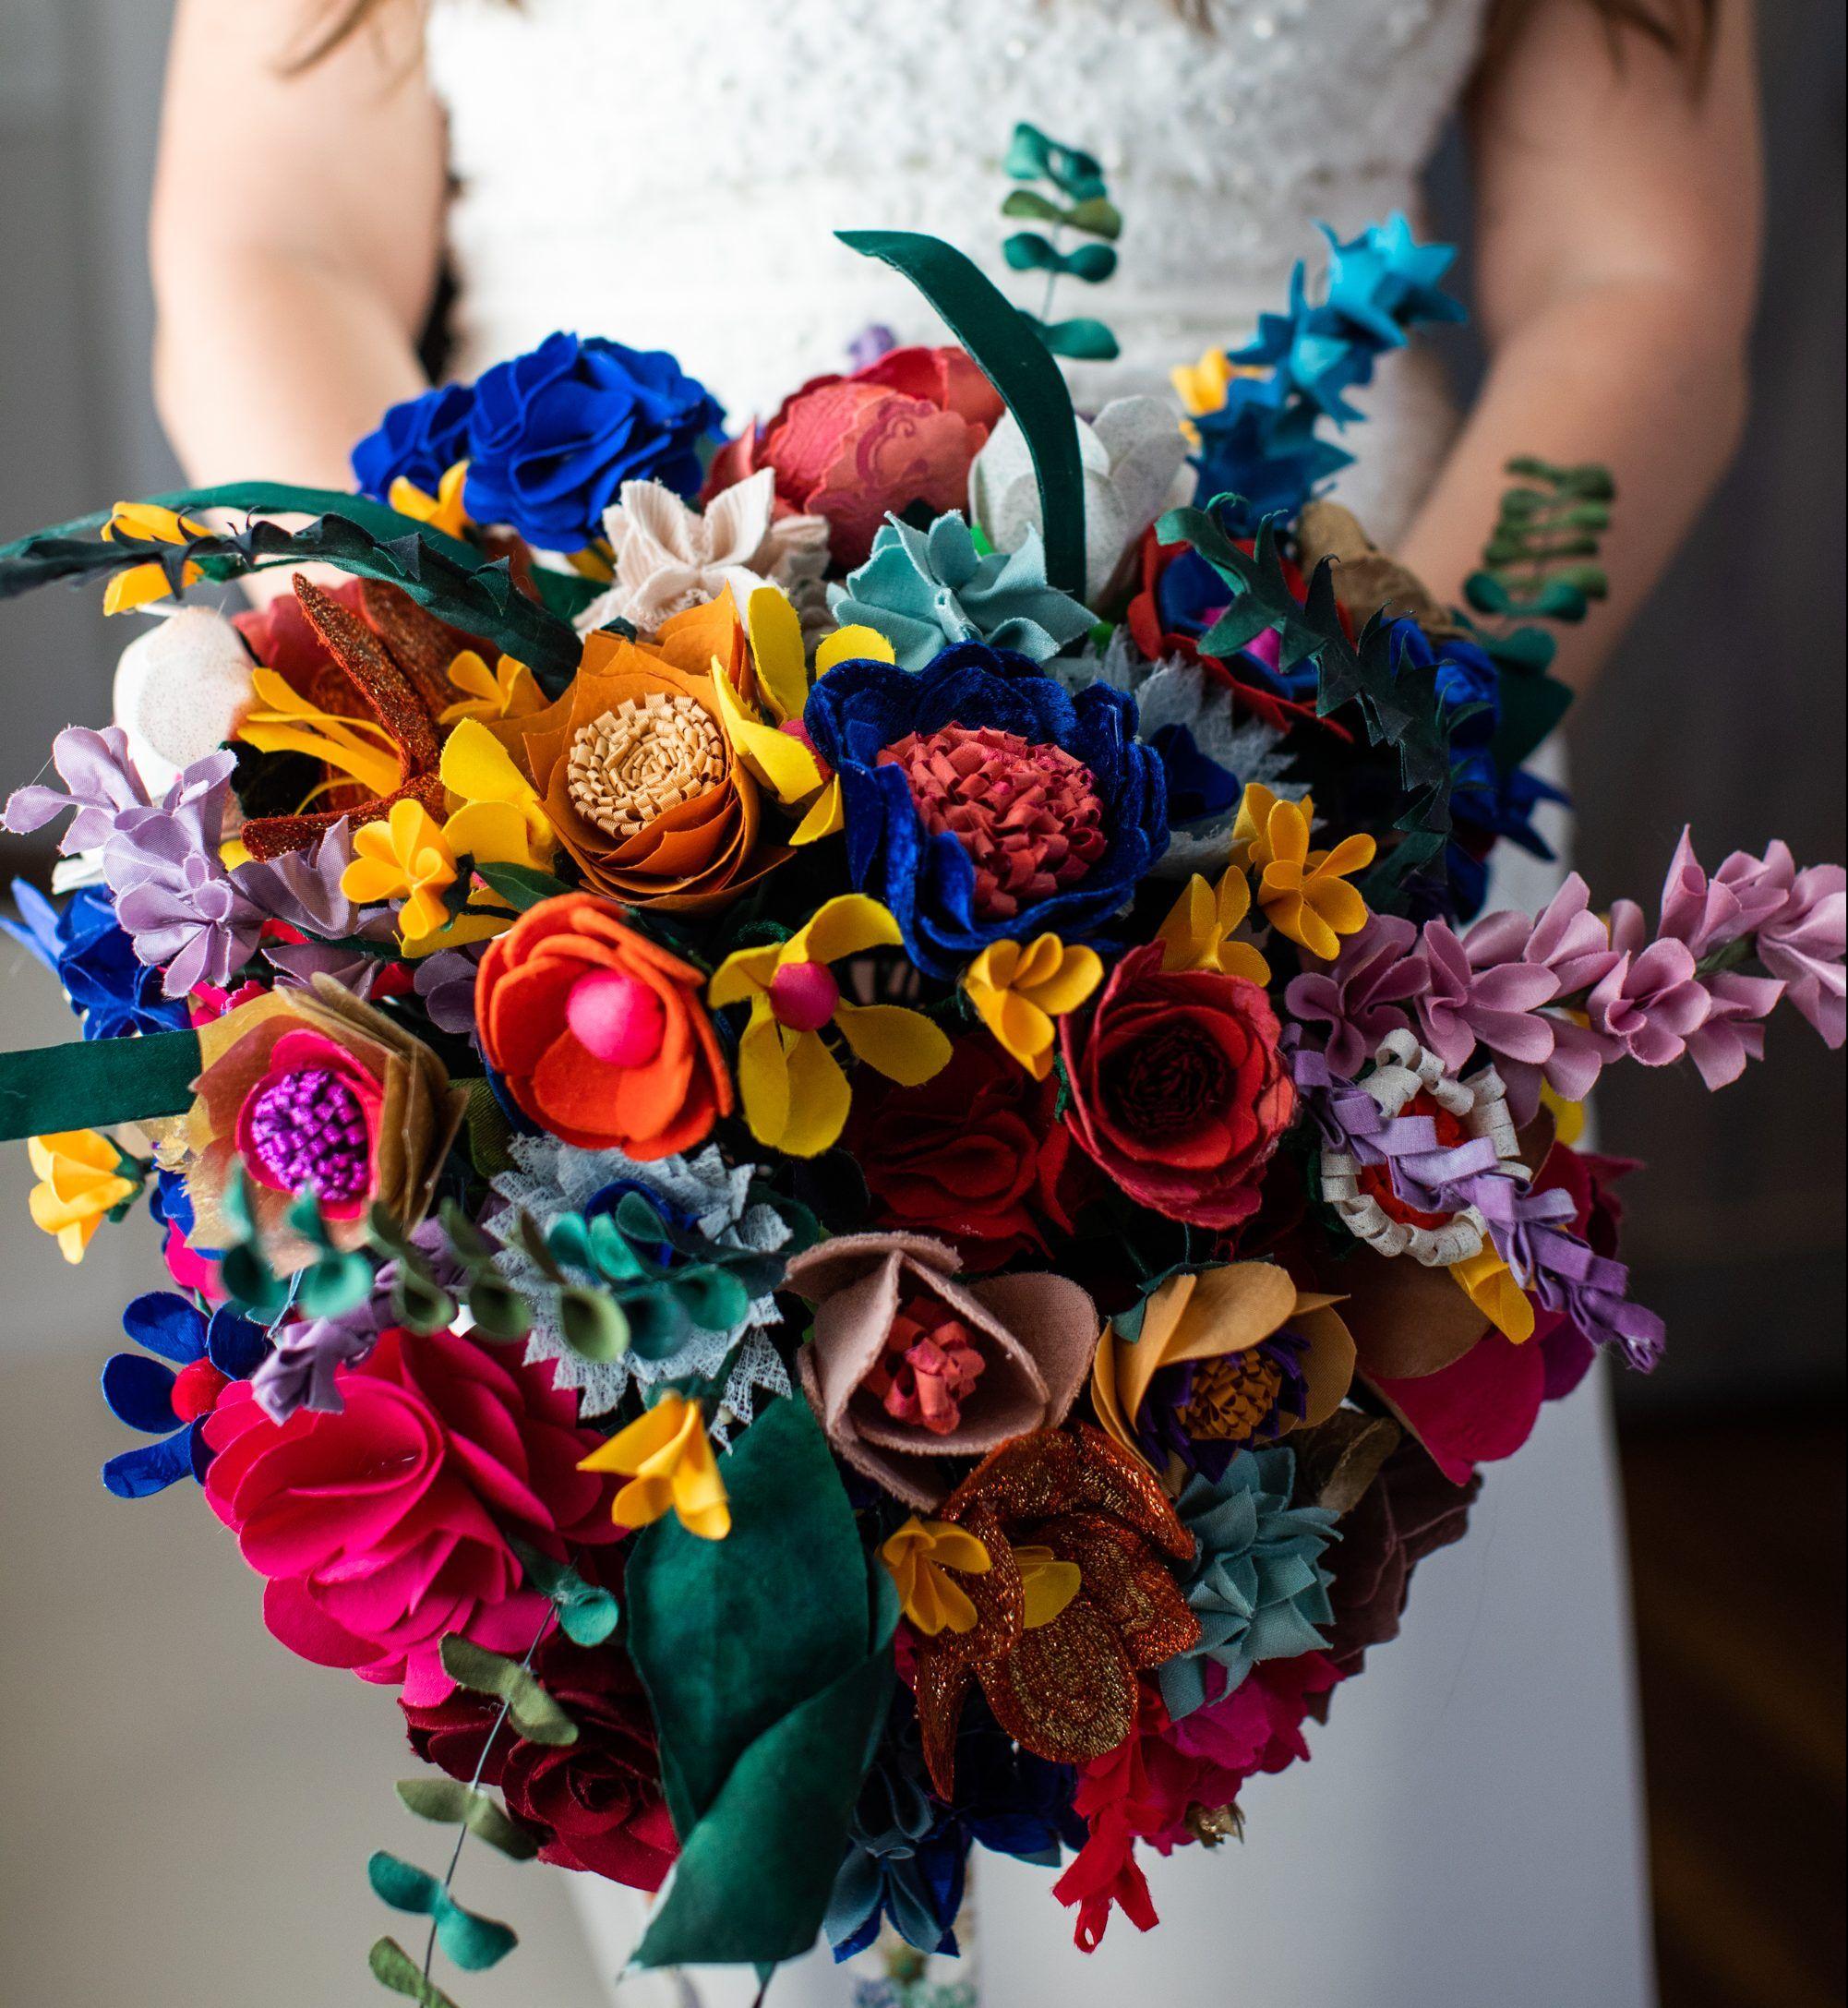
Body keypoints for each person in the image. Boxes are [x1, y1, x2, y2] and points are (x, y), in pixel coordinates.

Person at [149, 4, 1761, 2004]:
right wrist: (491, 751)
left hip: (1342, 859)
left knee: (1329, 1881)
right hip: (586, 868)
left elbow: (1637, 269)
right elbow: (273, 238)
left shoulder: (1355, 824)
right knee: (752, 1871)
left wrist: (1373, 762)